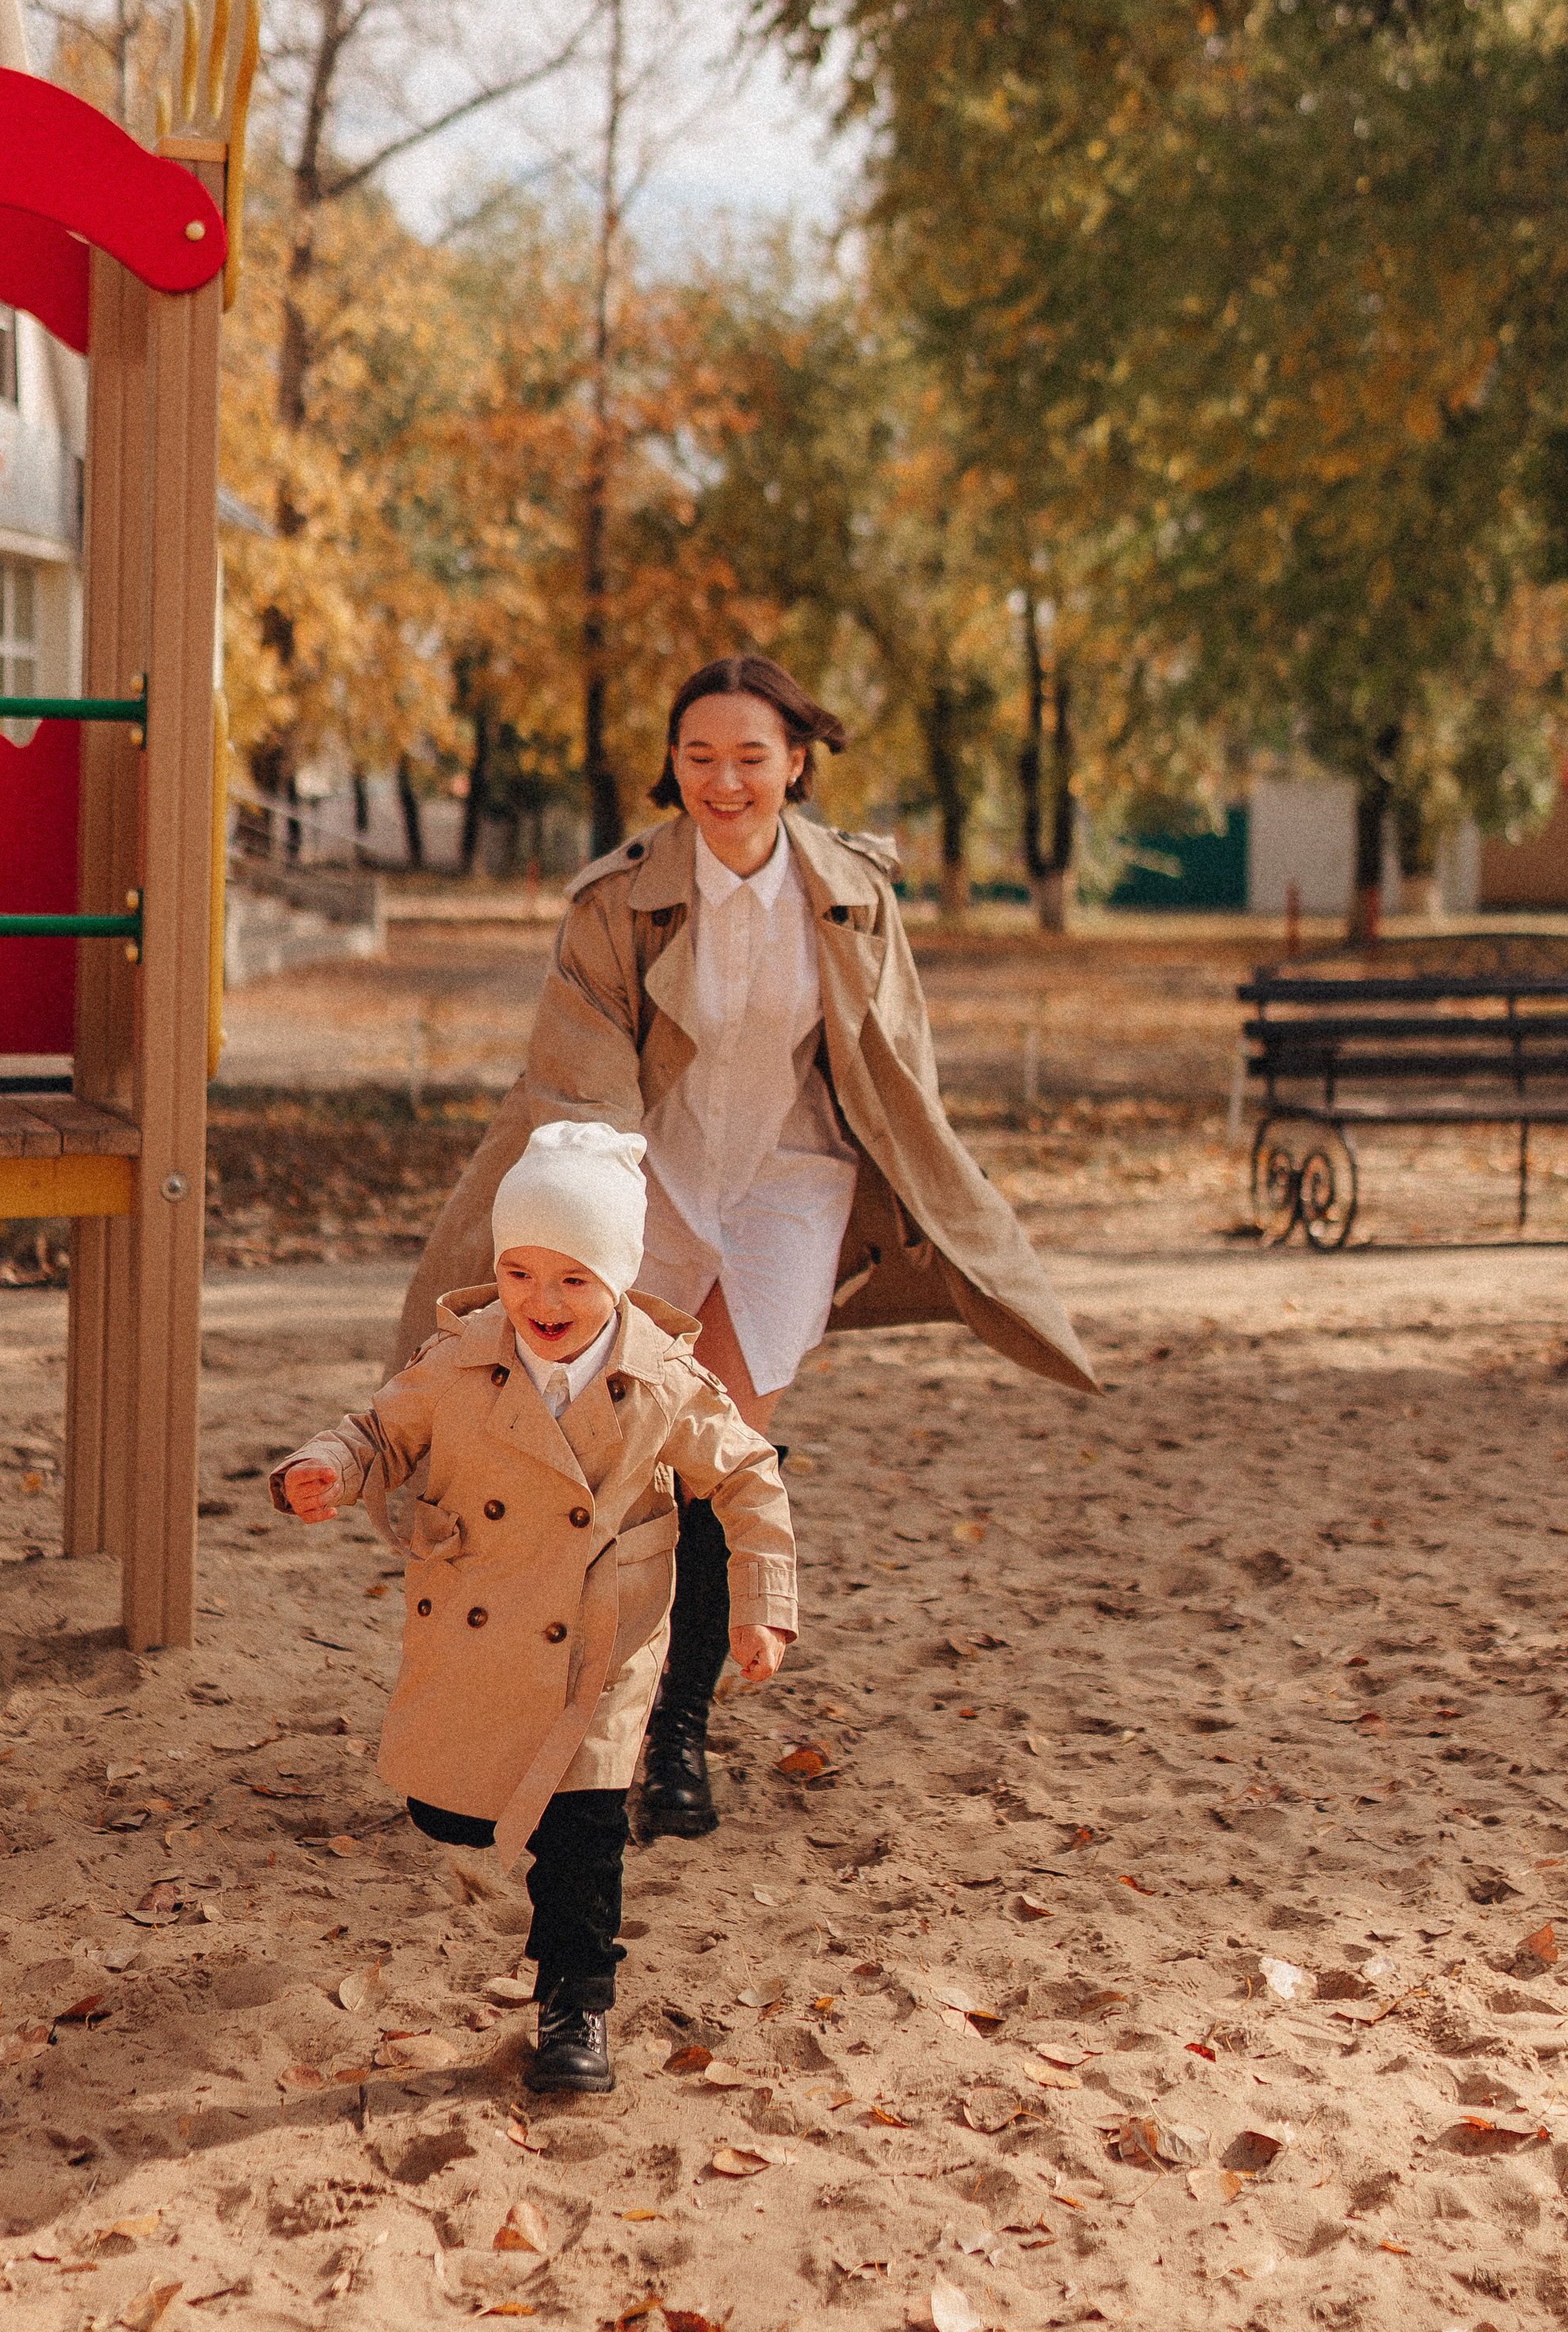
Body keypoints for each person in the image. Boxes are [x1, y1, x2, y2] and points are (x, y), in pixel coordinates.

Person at [394, 652, 1096, 1844]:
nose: (725, 781)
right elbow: (579, 1067)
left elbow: (899, 1063)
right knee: (612, 1454)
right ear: (673, 765)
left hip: (790, 1183)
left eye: (751, 758)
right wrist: (589, 1206)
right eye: (700, 756)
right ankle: (567, 1721)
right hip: (644, 1179)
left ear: (796, 763)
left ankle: (674, 1739)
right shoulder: (619, 899)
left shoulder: (854, 894)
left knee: (714, 1448)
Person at [271, 1118, 794, 2096]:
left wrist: (757, 1608)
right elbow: (381, 1431)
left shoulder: (663, 1377)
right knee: (450, 1813)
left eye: (572, 1280)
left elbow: (747, 1478)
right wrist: (327, 1468)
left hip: (601, 1633)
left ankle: (574, 2007)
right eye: (519, 1273)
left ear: (618, 1279)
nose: (541, 1302)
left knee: (582, 1831)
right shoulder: (462, 1355)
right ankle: (491, 1832)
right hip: (479, 1607)